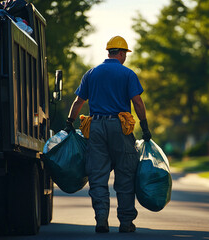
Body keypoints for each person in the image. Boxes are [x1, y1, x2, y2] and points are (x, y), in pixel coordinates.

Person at [65, 36, 152, 233]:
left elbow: (79, 101)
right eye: (125, 54)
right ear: (121, 53)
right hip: (119, 127)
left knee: (97, 175)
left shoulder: (91, 73)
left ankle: (101, 219)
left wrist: (69, 123)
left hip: (95, 127)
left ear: (109, 52)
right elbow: (137, 102)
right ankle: (125, 222)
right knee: (126, 175)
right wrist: (145, 127)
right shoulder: (128, 74)